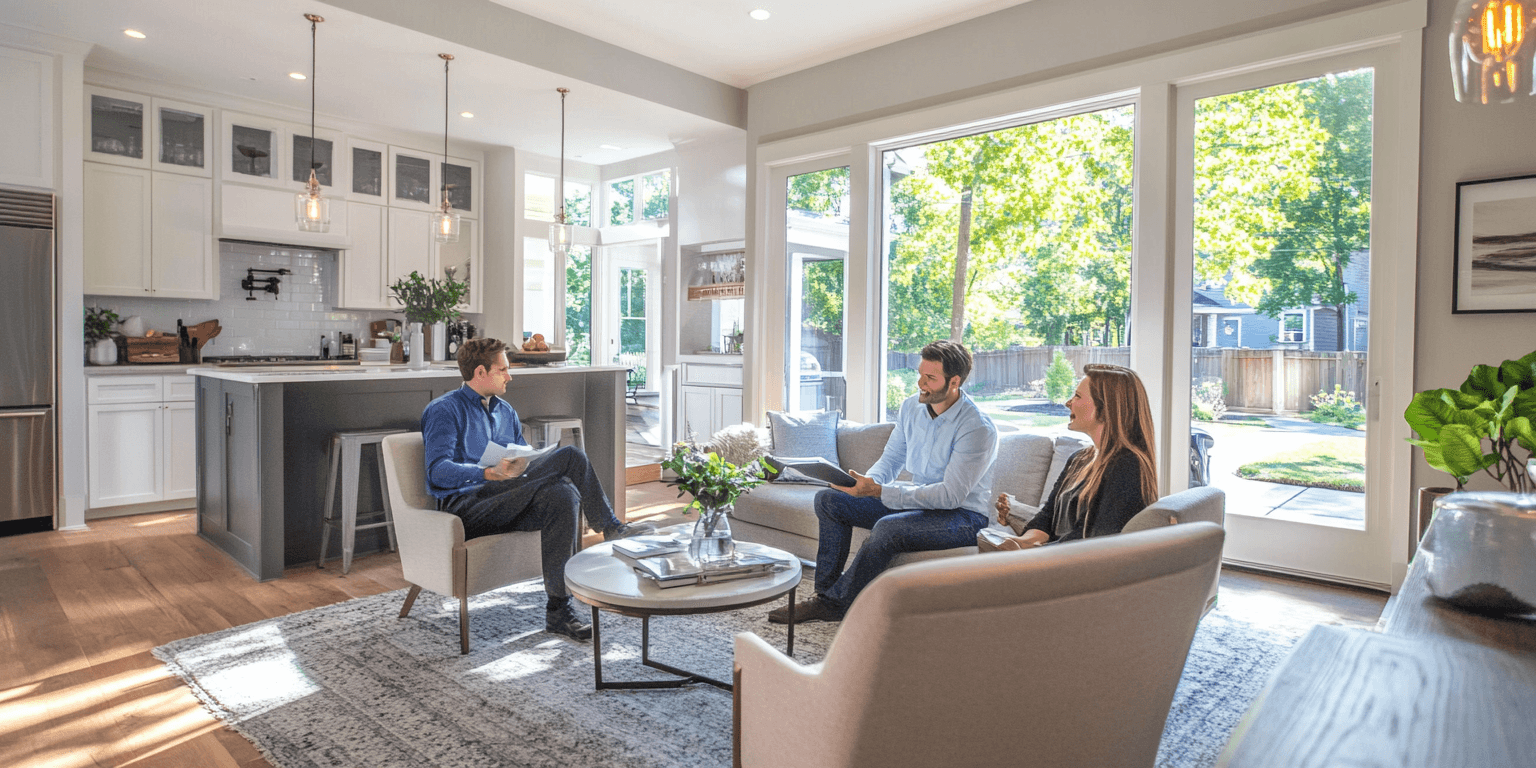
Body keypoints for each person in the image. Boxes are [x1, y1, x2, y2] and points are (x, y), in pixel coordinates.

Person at [421, 337, 655, 641]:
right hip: (467, 508)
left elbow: (521, 459)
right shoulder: (444, 410)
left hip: (507, 499)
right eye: (502, 369)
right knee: (570, 456)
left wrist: (524, 462)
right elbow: (437, 472)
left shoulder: (504, 411)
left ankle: (559, 612)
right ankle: (610, 527)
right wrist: (486, 473)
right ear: (480, 372)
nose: (510, 376)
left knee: (562, 493)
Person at [769, 340, 998, 624]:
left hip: (963, 517)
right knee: (829, 501)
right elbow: (891, 459)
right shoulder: (911, 408)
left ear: (954, 382)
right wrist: (865, 485)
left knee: (888, 528)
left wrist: (880, 491)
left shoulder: (976, 428)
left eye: (930, 378)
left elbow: (949, 496)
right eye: (920, 374)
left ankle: (835, 604)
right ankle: (825, 595)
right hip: (920, 504)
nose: (920, 383)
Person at [993, 363, 1159, 551]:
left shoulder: (1128, 466)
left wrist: (1035, 554)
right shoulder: (1079, 459)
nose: (1068, 403)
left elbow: (1092, 538)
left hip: (1080, 568)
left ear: (1105, 410)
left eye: (1077, 396)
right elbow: (1047, 518)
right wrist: (1022, 543)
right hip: (1057, 558)